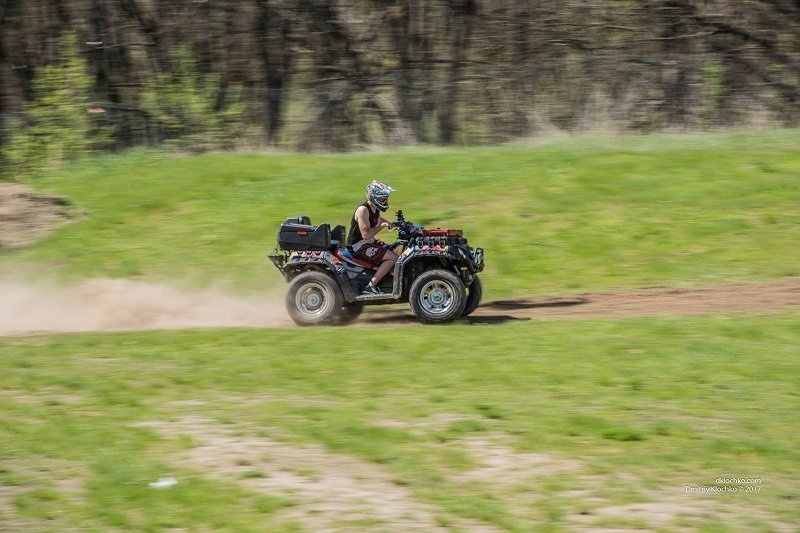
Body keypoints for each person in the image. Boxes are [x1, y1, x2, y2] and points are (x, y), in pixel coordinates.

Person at [347, 180, 399, 295]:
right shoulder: (363, 210)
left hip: (368, 242)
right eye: (383, 198)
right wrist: (382, 226)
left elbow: (379, 220)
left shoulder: (374, 208)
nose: (385, 201)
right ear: (375, 197)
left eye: (386, 198)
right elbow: (366, 235)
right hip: (358, 246)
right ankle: (370, 286)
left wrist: (394, 226)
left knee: (396, 249)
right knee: (392, 257)